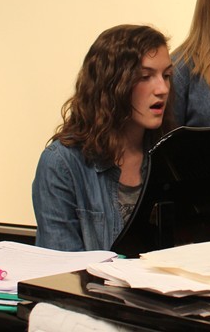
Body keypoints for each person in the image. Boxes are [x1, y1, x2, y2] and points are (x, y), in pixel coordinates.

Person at [32, 24, 174, 251]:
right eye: (146, 77)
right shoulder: (62, 164)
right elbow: (59, 273)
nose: (162, 89)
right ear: (112, 84)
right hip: (93, 287)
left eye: (166, 76)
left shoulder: (169, 155)